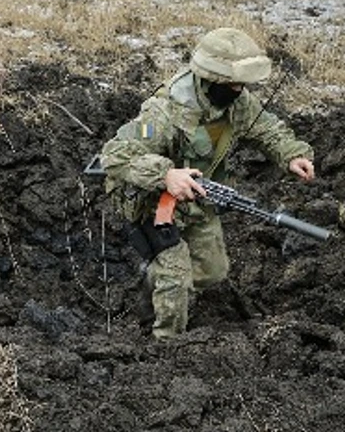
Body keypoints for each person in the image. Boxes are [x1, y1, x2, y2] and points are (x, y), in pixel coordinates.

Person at [99, 27, 316, 339]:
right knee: (176, 278)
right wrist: (166, 175)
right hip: (153, 201)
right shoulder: (165, 111)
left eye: (243, 84)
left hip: (199, 199)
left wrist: (292, 154)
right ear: (211, 78)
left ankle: (153, 283)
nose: (240, 90)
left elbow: (267, 129)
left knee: (213, 273)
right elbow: (114, 155)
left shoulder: (237, 103)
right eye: (233, 84)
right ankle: (164, 344)